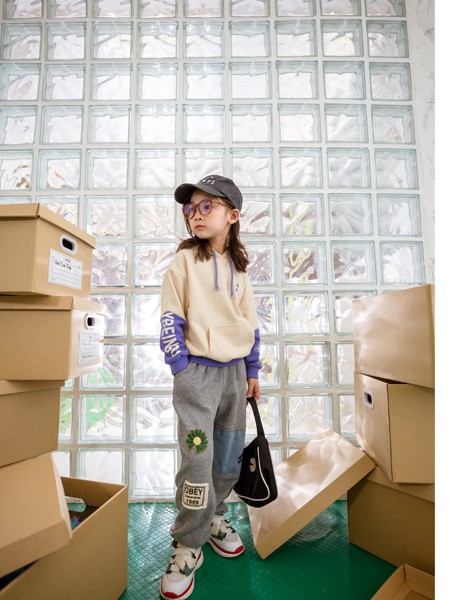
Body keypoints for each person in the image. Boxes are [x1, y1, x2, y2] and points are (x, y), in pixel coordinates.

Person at [159, 174, 262, 600]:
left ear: (232, 216)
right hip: (197, 376)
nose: (195, 215)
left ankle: (214, 516)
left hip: (235, 376)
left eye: (207, 207)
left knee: (227, 457)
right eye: (190, 209)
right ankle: (188, 542)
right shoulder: (184, 261)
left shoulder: (240, 268)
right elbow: (170, 316)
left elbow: (250, 323)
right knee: (197, 460)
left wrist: (253, 370)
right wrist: (180, 366)